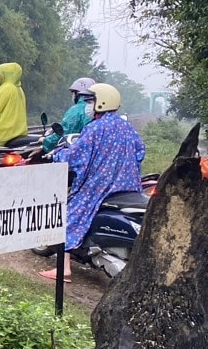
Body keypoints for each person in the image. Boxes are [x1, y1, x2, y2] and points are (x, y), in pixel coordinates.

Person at [40, 83, 145, 281]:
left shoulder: (95, 129)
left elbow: (76, 157)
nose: (88, 105)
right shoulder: (127, 127)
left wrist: (58, 154)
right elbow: (141, 152)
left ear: (102, 103)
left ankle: (63, 269)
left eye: (91, 101)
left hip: (100, 186)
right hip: (128, 186)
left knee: (69, 215)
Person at [42, 77, 97, 153]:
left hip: (77, 151)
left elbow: (65, 132)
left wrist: (46, 143)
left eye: (73, 93)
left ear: (78, 93)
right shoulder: (98, 108)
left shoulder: (76, 110)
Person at [0, 62, 27, 146]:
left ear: (4, 75)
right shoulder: (19, 89)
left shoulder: (6, 88)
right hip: (17, 132)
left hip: (2, 133)